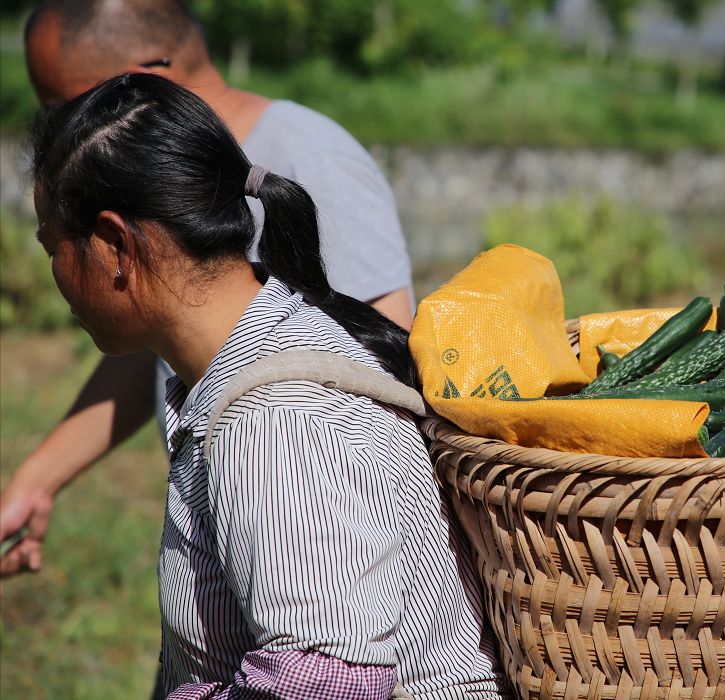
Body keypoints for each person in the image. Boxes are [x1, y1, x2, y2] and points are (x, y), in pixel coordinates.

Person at [26, 71, 506, 698]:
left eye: (52, 246)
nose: (55, 275)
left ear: (115, 244)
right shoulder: (264, 358)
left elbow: (323, 679)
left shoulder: (276, 423)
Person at [1, 0, 413, 579]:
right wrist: (38, 480)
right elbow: (155, 326)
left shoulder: (312, 158)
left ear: (152, 75)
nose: (59, 133)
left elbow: (378, 365)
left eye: (75, 107)